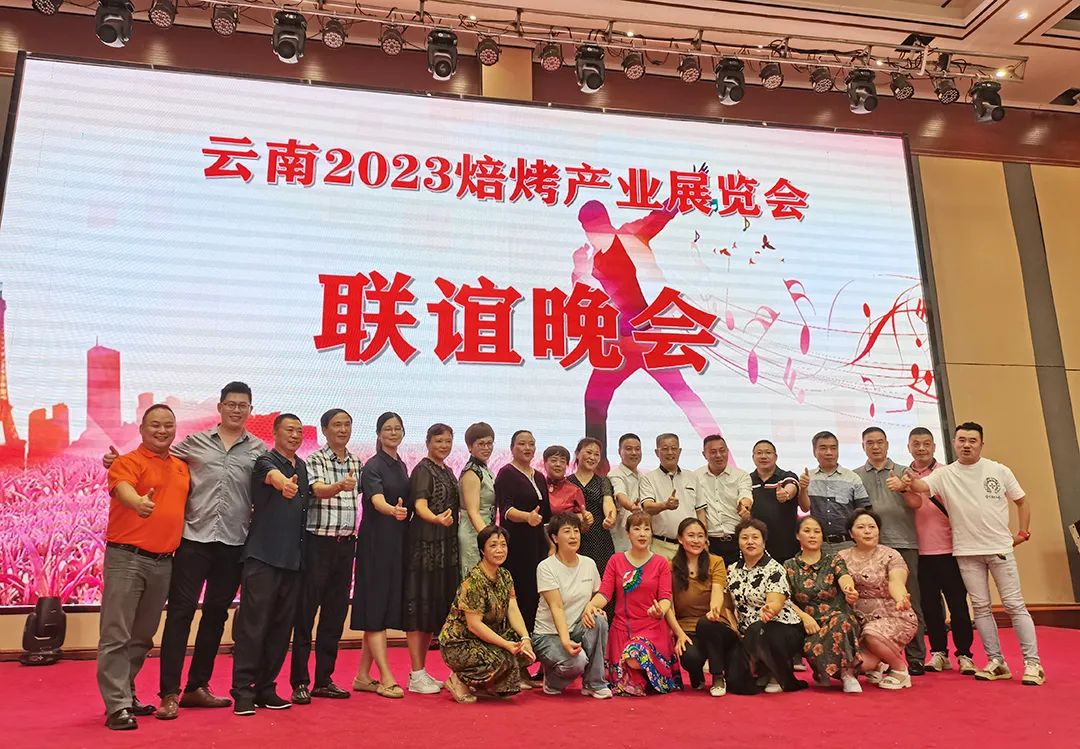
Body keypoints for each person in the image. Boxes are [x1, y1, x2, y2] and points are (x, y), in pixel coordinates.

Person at [103, 382, 267, 718]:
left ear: (250, 410)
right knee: (180, 615)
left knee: (216, 617)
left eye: (243, 405)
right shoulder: (194, 443)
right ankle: (169, 693)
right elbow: (154, 454)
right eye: (231, 404)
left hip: (233, 543)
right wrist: (117, 461)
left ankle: (197, 687)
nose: (236, 410)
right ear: (220, 407)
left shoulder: (259, 451)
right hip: (193, 541)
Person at [898, 422, 1044, 686]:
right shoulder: (945, 474)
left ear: (981, 443)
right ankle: (996, 661)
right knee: (981, 608)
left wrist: (1022, 533)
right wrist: (908, 482)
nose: (966, 445)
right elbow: (920, 487)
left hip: (999, 549)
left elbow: (1021, 501)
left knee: (1014, 606)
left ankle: (1033, 664)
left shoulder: (998, 470)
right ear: (954, 443)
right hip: (966, 553)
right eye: (961, 440)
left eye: (972, 440)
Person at [99, 404, 190, 730]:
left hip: (164, 563)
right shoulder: (127, 462)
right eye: (155, 425)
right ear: (141, 429)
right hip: (127, 559)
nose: (162, 431)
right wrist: (137, 502)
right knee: (116, 635)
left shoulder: (181, 466)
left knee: (141, 637)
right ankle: (117, 706)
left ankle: (126, 692)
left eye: (168, 425)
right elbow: (122, 488)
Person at [231, 413, 311, 715]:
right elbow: (273, 478)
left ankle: (266, 688)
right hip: (263, 558)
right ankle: (243, 690)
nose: (295, 435)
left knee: (280, 628)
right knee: (254, 626)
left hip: (293, 561)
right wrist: (283, 484)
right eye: (289, 430)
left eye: (299, 431)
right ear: (275, 433)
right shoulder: (265, 461)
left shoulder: (301, 466)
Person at [290, 408, 362, 705]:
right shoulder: (315, 459)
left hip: (346, 546)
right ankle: (299, 682)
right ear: (324, 430)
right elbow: (317, 490)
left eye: (347, 424)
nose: (343, 430)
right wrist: (339, 486)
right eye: (337, 425)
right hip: (318, 544)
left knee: (335, 614)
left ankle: (324, 680)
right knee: (306, 614)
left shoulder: (356, 462)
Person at [899, 427, 975, 675]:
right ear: (909, 447)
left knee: (958, 605)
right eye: (916, 444)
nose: (921, 448)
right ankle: (939, 652)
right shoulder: (902, 476)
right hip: (918, 552)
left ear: (934, 447)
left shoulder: (948, 473)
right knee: (929, 607)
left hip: (950, 549)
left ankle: (965, 654)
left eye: (926, 444)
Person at [582, 511, 681, 696]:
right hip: (622, 629)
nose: (642, 534)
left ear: (652, 533)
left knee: (635, 655)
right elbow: (604, 593)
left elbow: (665, 597)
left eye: (646, 529)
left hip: (652, 628)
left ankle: (646, 673)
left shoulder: (661, 563)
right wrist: (591, 605)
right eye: (636, 529)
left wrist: (660, 610)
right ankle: (643, 677)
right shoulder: (616, 560)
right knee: (625, 673)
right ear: (628, 533)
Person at [855, 427, 926, 675]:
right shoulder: (855, 476)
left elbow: (917, 503)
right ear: (863, 446)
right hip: (870, 548)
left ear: (887, 444)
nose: (875, 447)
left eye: (880, 442)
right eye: (870, 443)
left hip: (904, 544)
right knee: (875, 604)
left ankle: (916, 658)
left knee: (908, 600)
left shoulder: (903, 471)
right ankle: (880, 658)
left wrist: (904, 489)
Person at [439, 525, 536, 702]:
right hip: (460, 642)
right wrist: (506, 645)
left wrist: (525, 639)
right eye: (493, 545)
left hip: (486, 637)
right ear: (482, 550)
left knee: (527, 648)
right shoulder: (474, 581)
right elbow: (474, 626)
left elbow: (513, 609)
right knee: (502, 659)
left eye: (503, 545)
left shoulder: (505, 575)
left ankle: (484, 684)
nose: (500, 550)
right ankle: (458, 679)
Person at [351, 412, 411, 699]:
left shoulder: (401, 465)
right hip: (375, 544)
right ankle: (386, 677)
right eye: (388, 428)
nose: (393, 433)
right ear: (378, 433)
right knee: (374, 610)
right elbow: (375, 501)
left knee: (379, 609)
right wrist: (392, 510)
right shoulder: (373, 466)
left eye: (398, 428)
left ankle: (363, 676)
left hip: (395, 544)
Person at [403, 423, 462, 695]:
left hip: (445, 548)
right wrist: (436, 519)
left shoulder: (447, 471)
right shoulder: (422, 470)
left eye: (448, 441)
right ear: (428, 442)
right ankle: (416, 673)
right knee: (420, 608)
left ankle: (422, 672)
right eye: (438, 441)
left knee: (432, 611)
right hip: (425, 548)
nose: (444, 446)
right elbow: (419, 506)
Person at [532, 514, 612, 699]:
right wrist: (565, 641)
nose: (573, 536)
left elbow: (597, 595)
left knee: (599, 619)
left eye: (576, 531)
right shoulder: (546, 567)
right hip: (548, 635)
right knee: (576, 662)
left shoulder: (589, 564)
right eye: (567, 531)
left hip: (576, 628)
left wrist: (593, 608)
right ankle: (552, 680)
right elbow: (557, 607)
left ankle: (594, 683)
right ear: (554, 538)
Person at [838, 509, 918, 690]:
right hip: (857, 622)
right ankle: (878, 663)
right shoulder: (842, 556)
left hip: (893, 616)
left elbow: (897, 581)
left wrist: (901, 598)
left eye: (872, 527)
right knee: (852, 665)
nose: (867, 531)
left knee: (872, 634)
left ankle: (899, 670)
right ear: (851, 533)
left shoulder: (891, 554)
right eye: (861, 527)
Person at [726, 518, 807, 694]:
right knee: (735, 683)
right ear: (738, 542)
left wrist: (769, 609)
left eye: (755, 537)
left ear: (764, 541)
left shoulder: (774, 568)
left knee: (761, 630)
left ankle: (779, 676)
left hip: (782, 626)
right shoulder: (732, 570)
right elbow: (727, 606)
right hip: (748, 630)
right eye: (744, 538)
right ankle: (763, 670)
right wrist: (733, 626)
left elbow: (775, 602)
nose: (750, 542)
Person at [666, 518, 746, 697]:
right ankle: (696, 673)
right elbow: (669, 605)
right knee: (690, 657)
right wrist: (678, 634)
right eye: (691, 535)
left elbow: (717, 590)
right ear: (680, 539)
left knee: (706, 624)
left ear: (706, 540)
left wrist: (714, 609)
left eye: (700, 536)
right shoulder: (670, 567)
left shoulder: (716, 562)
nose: (696, 540)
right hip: (687, 627)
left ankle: (718, 676)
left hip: (715, 624)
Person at [784, 516, 862, 693]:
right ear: (797, 536)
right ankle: (821, 670)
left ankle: (847, 674)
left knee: (842, 621)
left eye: (817, 531)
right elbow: (785, 598)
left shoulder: (834, 560)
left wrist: (849, 589)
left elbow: (844, 577)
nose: (812, 535)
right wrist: (804, 617)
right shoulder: (789, 566)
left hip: (836, 617)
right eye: (807, 531)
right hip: (808, 623)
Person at [495, 430, 552, 633]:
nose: (527, 448)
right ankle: (517, 638)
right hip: (517, 544)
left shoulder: (539, 476)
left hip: (538, 545)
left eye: (531, 444)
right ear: (512, 448)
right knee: (519, 591)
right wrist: (527, 517)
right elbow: (506, 510)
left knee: (536, 592)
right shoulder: (506, 473)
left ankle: (534, 638)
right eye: (522, 444)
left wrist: (551, 545)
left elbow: (546, 517)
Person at [798, 431, 870, 555]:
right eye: (823, 448)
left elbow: (863, 511)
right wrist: (803, 489)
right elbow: (805, 508)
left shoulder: (852, 478)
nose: (829, 452)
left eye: (833, 448)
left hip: (847, 544)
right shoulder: (808, 477)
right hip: (818, 544)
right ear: (814, 451)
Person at [693, 435, 753, 565]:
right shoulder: (695, 477)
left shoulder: (741, 475)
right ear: (704, 454)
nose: (719, 455)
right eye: (713, 452)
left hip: (736, 540)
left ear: (728, 451)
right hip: (709, 542)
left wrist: (744, 506)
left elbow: (746, 493)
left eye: (722, 450)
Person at [639, 433, 697, 559]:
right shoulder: (648, 479)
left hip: (690, 545)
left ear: (679, 451)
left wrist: (705, 539)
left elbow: (700, 511)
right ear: (657, 452)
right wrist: (665, 505)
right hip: (661, 546)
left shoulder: (692, 477)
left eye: (674, 448)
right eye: (665, 449)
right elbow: (647, 507)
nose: (670, 452)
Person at [569, 437, 618, 574]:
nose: (592, 457)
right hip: (575, 537)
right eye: (589, 452)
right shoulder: (567, 482)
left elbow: (608, 501)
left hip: (600, 539)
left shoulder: (603, 481)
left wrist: (610, 518)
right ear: (577, 453)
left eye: (596, 454)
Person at [749, 440, 801, 562]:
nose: (763, 456)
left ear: (776, 456)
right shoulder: (747, 480)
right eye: (759, 453)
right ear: (753, 457)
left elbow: (792, 486)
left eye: (768, 452)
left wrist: (786, 494)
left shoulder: (786, 476)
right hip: (756, 549)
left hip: (786, 549)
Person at [458, 422, 496, 578]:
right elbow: (473, 512)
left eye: (489, 443)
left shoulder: (484, 469)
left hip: (485, 532)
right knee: (475, 582)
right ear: (469, 446)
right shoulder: (471, 472)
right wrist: (489, 538)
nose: (486, 448)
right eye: (481, 444)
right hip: (474, 534)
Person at [608, 433, 644, 553]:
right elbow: (620, 494)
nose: (634, 453)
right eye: (629, 449)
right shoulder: (615, 475)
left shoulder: (642, 476)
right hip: (622, 540)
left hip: (642, 538)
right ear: (619, 451)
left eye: (637, 449)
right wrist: (631, 506)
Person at [544, 445, 585, 518]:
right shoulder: (538, 486)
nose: (558, 464)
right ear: (545, 463)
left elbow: (582, 518)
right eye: (553, 460)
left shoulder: (574, 490)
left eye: (562, 461)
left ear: (567, 465)